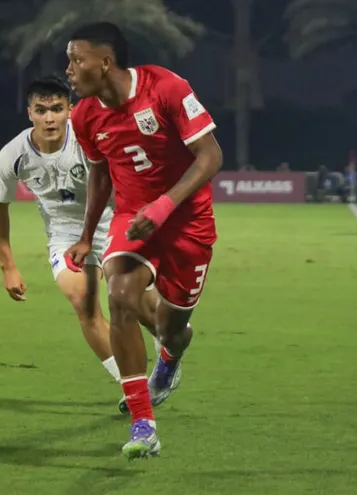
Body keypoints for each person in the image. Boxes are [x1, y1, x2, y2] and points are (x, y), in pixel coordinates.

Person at [64, 22, 222, 459]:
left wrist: (164, 206)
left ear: (106, 62)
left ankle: (170, 358)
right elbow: (99, 175)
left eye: (77, 59)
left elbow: (211, 155)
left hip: (188, 221)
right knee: (120, 293)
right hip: (133, 218)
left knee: (174, 329)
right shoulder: (84, 116)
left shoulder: (165, 87)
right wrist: (84, 236)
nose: (69, 69)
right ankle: (142, 423)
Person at [0, 75, 162, 387]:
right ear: (29, 113)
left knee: (139, 306)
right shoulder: (12, 155)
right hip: (65, 233)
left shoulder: (87, 140)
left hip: (112, 220)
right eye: (41, 110)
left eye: (57, 108)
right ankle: (133, 387)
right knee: (83, 301)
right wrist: (8, 267)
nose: (49, 117)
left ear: (70, 109)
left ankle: (168, 351)